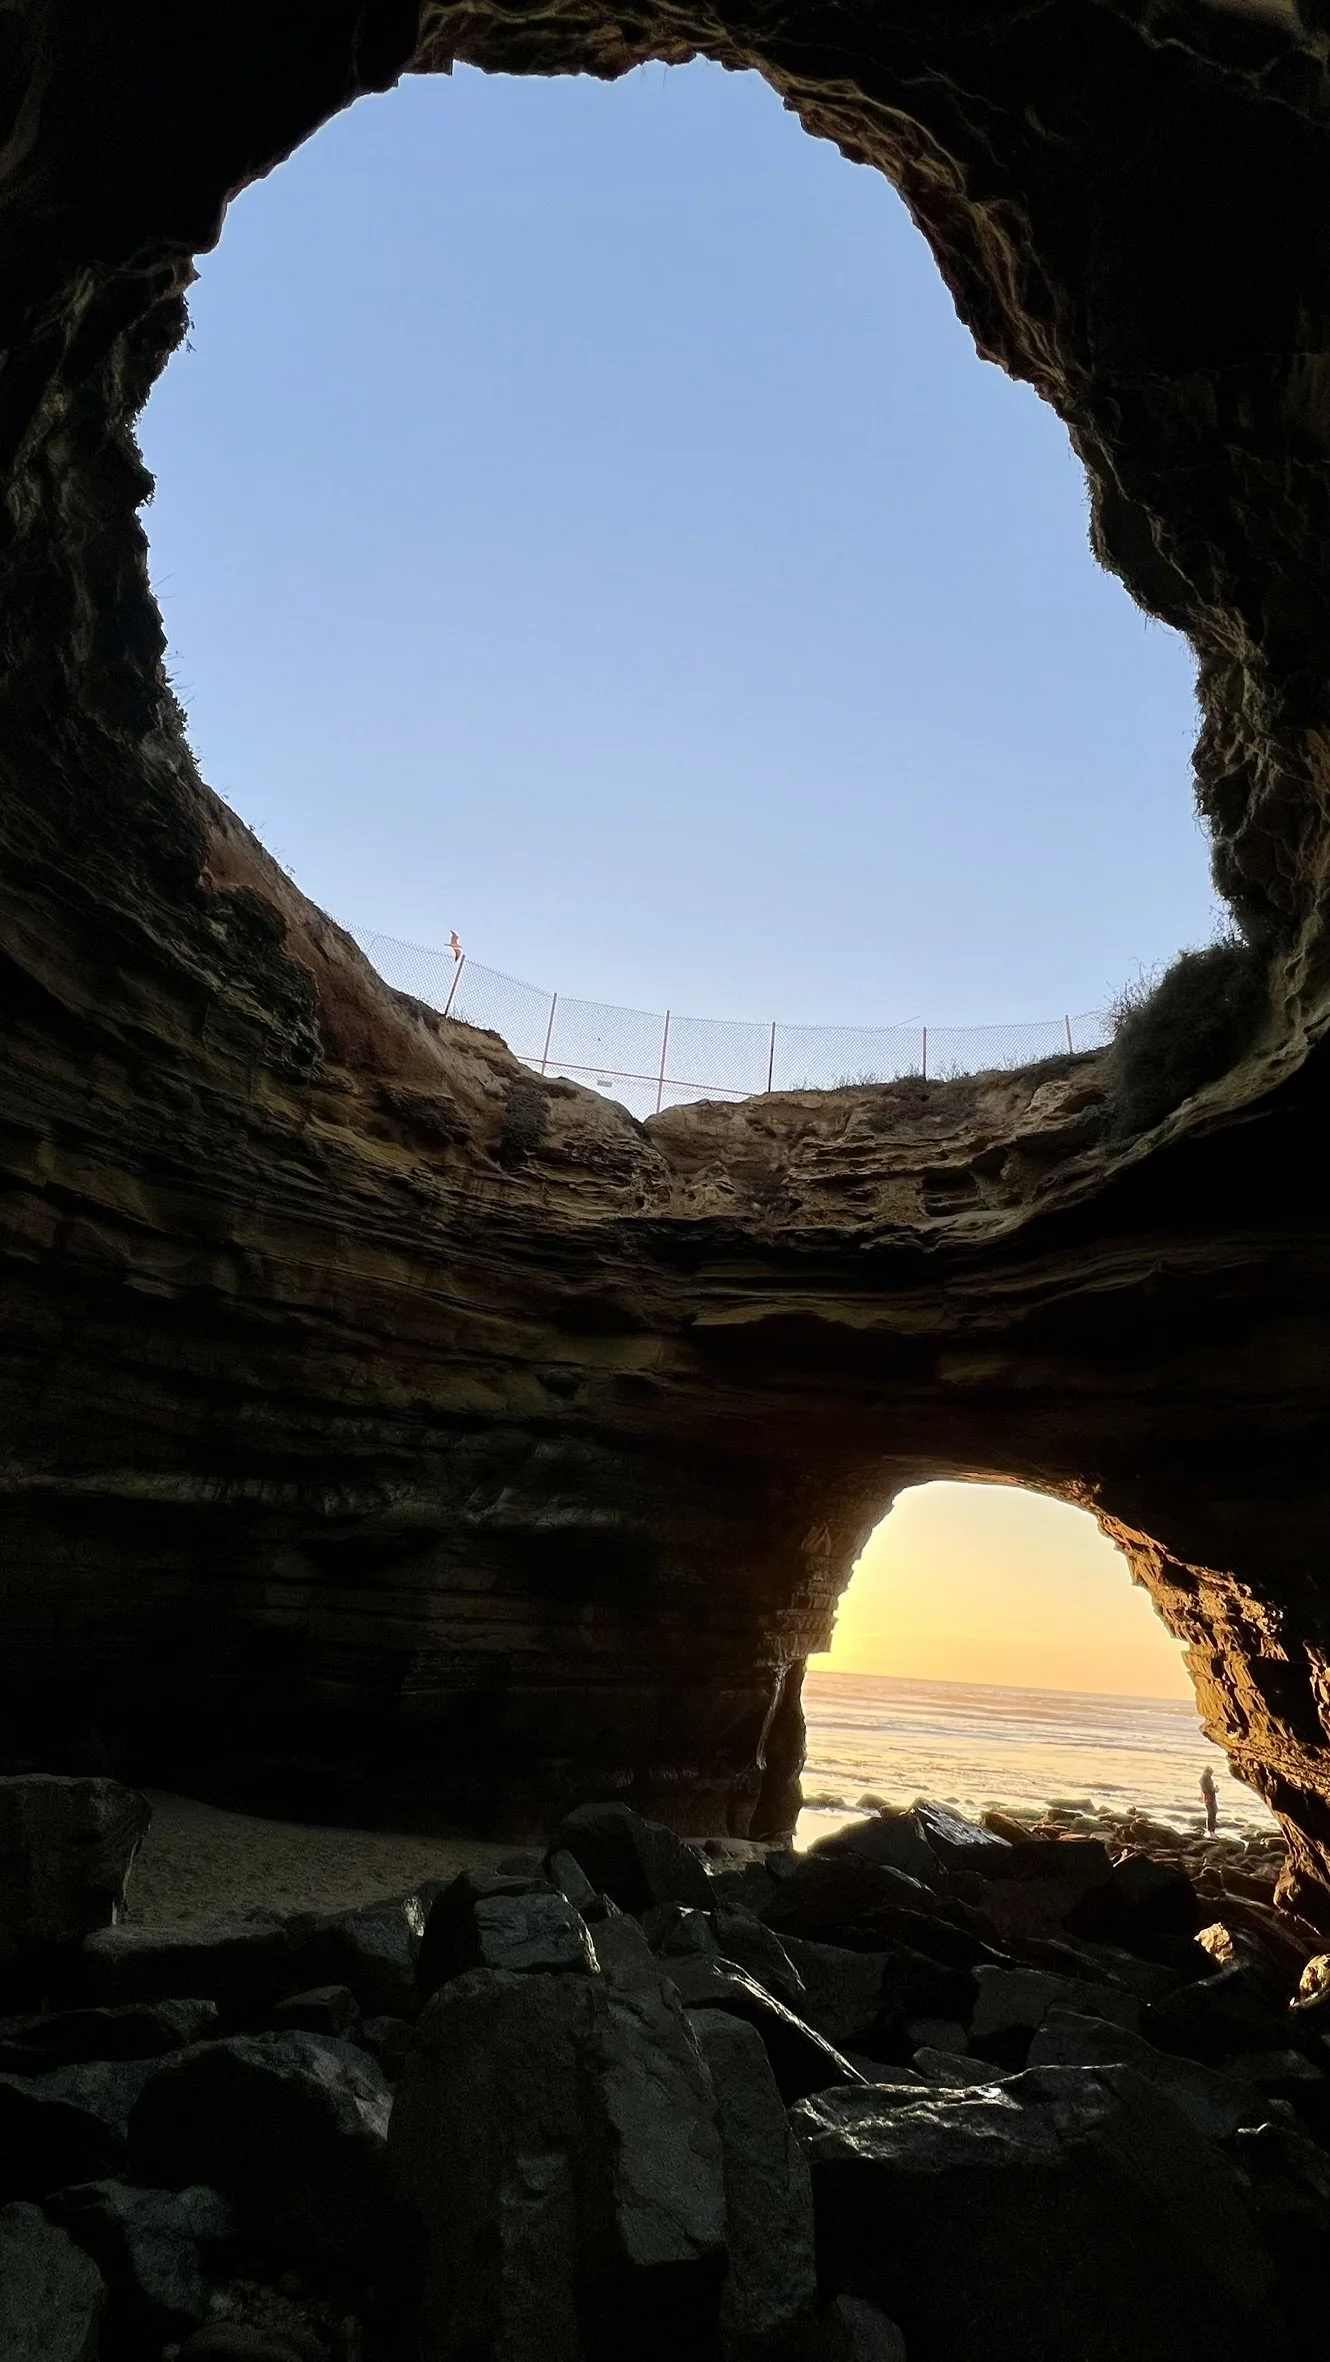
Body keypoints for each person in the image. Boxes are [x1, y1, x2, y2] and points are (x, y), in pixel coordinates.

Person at [1200, 1764, 1218, 1834]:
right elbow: (1206, 1789)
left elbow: (1209, 1789)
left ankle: (1212, 1827)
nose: (1211, 1774)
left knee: (1214, 1811)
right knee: (1211, 1812)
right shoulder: (1204, 1779)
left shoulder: (1208, 1778)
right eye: (1210, 1773)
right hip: (1208, 1798)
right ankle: (1211, 1829)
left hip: (1211, 1797)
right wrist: (1214, 1789)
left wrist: (1214, 1789)